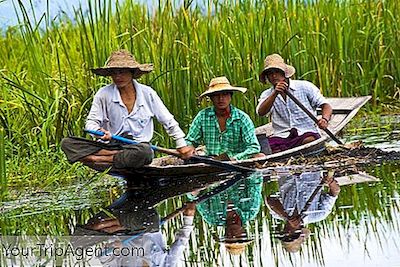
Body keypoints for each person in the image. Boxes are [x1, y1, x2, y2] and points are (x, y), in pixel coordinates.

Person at [61, 50, 192, 171]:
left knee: (145, 152)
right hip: (109, 145)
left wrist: (181, 144)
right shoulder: (103, 94)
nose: (118, 76)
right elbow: (91, 122)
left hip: (137, 146)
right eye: (114, 72)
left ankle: (96, 159)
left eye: (122, 71)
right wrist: (99, 132)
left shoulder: (148, 93)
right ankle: (116, 156)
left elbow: (168, 120)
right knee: (67, 143)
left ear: (132, 73)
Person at [256, 54, 333, 153]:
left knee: (309, 140)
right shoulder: (267, 94)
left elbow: (326, 106)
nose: (274, 76)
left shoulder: (304, 86)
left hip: (305, 133)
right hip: (282, 136)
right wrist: (275, 93)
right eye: (270, 73)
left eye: (277, 72)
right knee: (266, 149)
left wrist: (324, 119)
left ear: (284, 73)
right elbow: (261, 112)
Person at [185, 76, 263, 161]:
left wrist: (235, 158)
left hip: (236, 160)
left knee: (259, 156)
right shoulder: (203, 116)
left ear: (230, 96)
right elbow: (190, 141)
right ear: (211, 98)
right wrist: (189, 149)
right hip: (212, 160)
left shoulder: (241, 118)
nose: (221, 99)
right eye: (216, 95)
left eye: (225, 94)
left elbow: (253, 147)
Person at [265, 171, 340, 253]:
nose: (288, 233)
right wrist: (330, 182)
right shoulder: (318, 215)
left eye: (285, 236)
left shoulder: (278, 214)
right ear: (299, 233)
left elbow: (270, 199)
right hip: (309, 170)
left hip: (285, 170)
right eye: (292, 236)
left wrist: (286, 216)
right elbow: (334, 193)